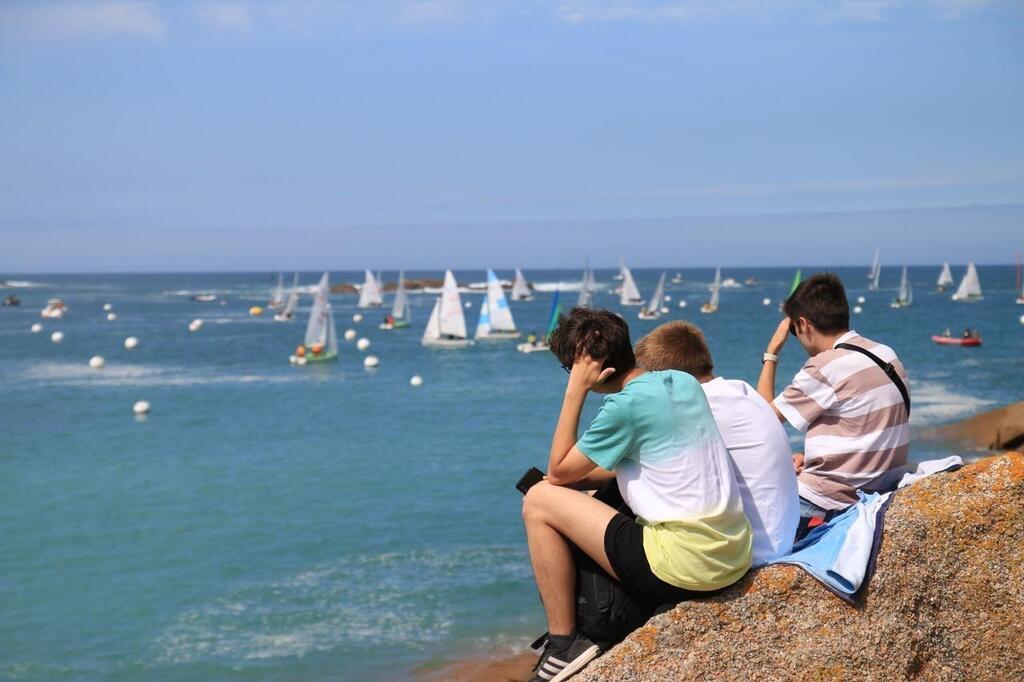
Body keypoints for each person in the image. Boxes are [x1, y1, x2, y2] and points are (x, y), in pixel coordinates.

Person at [522, 308, 752, 682]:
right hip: (733, 554)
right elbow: (637, 460)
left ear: (592, 368)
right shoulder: (681, 381)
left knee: (537, 498)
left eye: (572, 369)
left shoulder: (624, 407)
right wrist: (574, 487)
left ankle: (565, 644)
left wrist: (574, 390)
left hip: (687, 568)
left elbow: (560, 469)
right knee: (564, 493)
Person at [635, 321, 799, 565]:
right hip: (778, 543)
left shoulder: (697, 409)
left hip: (748, 556)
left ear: (668, 380)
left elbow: (595, 470)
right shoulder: (742, 391)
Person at [757, 273, 910, 534]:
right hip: (880, 489)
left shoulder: (825, 366)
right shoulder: (886, 355)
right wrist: (816, 457)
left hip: (828, 503)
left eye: (794, 331)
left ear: (803, 324)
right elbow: (863, 425)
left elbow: (760, 419)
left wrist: (771, 353)